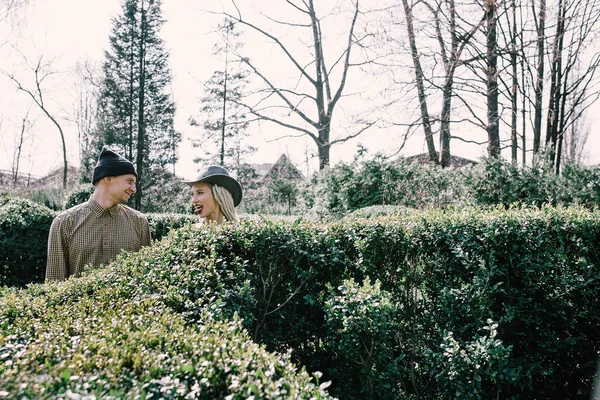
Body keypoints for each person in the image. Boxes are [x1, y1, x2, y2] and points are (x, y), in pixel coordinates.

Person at [45, 147, 151, 282]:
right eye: (129, 181)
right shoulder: (64, 223)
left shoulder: (140, 223)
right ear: (108, 178)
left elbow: (145, 280)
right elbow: (54, 284)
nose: (134, 189)